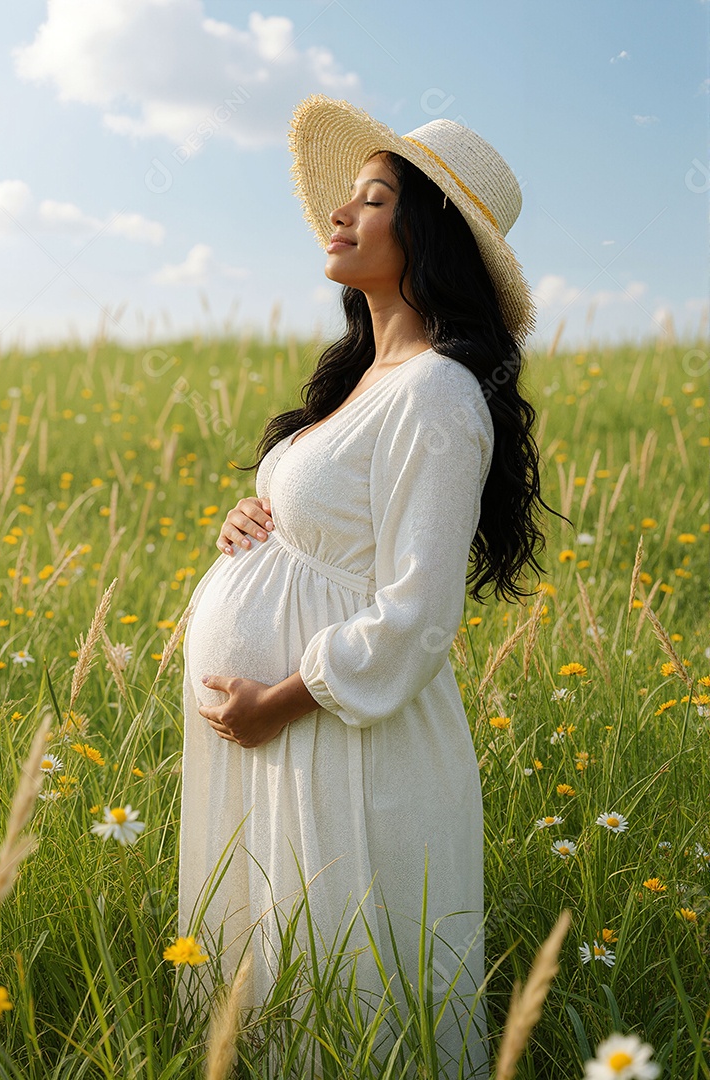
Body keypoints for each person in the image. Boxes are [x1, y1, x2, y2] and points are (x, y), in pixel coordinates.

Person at [178, 93, 567, 1077]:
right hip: (283, 737)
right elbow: (327, 531)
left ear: (428, 232)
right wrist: (247, 528)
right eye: (346, 197)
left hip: (336, 740)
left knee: (348, 1010)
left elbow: (417, 610)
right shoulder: (362, 377)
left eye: (375, 198)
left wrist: (278, 696)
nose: (341, 216)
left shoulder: (437, 392)